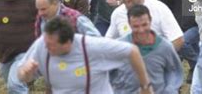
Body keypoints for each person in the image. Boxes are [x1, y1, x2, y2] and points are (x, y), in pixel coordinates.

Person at [18, 16, 154, 94]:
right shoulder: (43, 43)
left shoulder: (92, 47)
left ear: (67, 43)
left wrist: (145, 86)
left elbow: (132, 51)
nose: (46, 47)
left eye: (51, 45)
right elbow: (21, 76)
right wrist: (25, 72)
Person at [111, 5, 183, 93]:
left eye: (144, 25)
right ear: (129, 24)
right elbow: (108, 74)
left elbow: (174, 72)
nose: (141, 30)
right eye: (136, 26)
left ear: (150, 21)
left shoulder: (164, 47)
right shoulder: (120, 47)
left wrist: (169, 90)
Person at [106, 0, 184, 51]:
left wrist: (160, 57)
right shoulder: (117, 13)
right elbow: (108, 42)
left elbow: (177, 39)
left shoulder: (159, 9)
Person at [160, 0, 199, 83]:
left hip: (195, 24)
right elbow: (167, 2)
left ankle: (198, 65)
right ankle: (176, 85)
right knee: (175, 55)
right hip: (178, 24)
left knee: (184, 43)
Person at [35, 0, 100, 37]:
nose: (40, 13)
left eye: (43, 9)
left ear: (55, 3)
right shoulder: (41, 18)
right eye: (38, 9)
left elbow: (96, 37)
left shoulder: (74, 18)